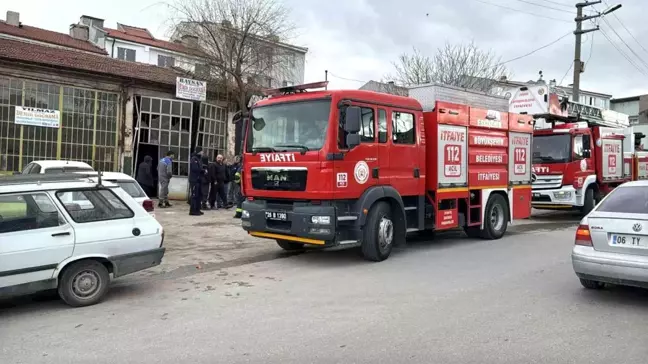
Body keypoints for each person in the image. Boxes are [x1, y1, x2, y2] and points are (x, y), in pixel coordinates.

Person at [188, 147, 205, 216]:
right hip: (194, 180)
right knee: (195, 195)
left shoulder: (199, 159)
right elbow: (195, 169)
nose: (203, 153)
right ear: (199, 151)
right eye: (202, 151)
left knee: (199, 195)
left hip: (199, 179)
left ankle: (198, 209)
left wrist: (203, 170)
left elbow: (200, 167)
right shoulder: (194, 159)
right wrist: (203, 170)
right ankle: (193, 211)